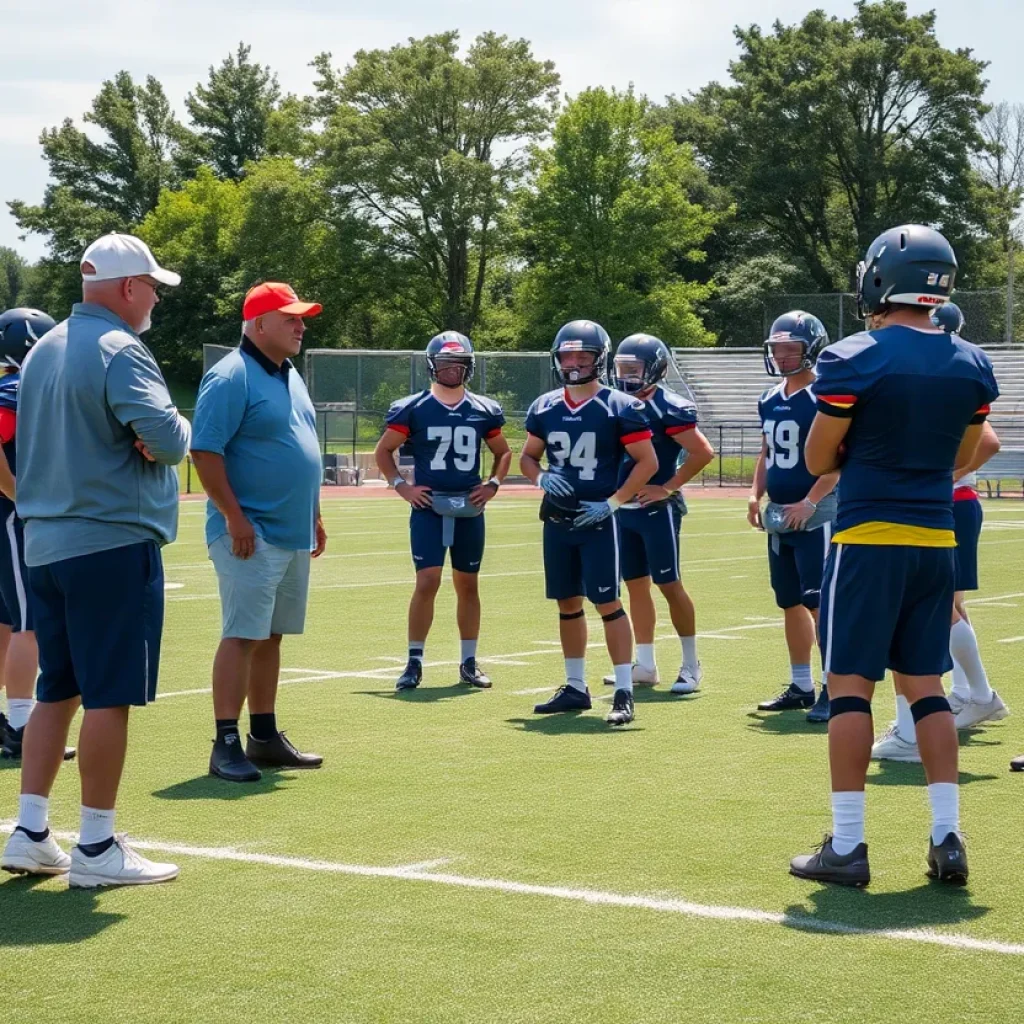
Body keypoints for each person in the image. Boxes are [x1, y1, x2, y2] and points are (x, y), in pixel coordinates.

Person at [790, 225, 998, 888]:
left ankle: (848, 847)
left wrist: (860, 454)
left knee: (851, 686)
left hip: (869, 541)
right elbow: (965, 457)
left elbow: (818, 458)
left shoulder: (855, 357)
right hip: (936, 541)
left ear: (880, 277)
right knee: (928, 689)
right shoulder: (972, 363)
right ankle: (947, 838)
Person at [0, 232, 190, 887]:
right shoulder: (119, 348)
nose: (156, 300)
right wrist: (170, 433)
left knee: (58, 688)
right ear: (129, 287)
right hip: (109, 540)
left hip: (45, 543)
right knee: (110, 693)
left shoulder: (44, 350)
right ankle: (99, 845)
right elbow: (167, 439)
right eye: (153, 288)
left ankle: (30, 831)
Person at [191, 282, 328, 784]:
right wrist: (234, 517)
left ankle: (264, 736)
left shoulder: (289, 373)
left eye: (301, 318)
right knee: (242, 634)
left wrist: (313, 514)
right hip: (249, 531)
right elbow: (205, 452)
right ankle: (225, 742)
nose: (301, 326)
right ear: (259, 323)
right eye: (290, 317)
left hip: (289, 530)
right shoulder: (230, 376)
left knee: (271, 635)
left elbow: (301, 446)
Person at [871, 304, 1006, 763]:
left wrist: (946, 475)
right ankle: (971, 692)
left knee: (931, 607)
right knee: (948, 605)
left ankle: (975, 694)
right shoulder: (945, 367)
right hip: (943, 504)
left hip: (941, 504)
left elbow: (988, 440)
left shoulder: (940, 369)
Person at [520, 320, 658, 727]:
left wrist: (614, 502)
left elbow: (647, 462)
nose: (574, 363)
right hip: (558, 518)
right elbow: (528, 456)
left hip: (598, 520)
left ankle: (623, 691)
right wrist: (540, 476)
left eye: (583, 356)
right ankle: (576, 686)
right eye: (568, 355)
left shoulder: (621, 406)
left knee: (607, 602)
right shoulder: (545, 406)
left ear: (600, 359)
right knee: (567, 602)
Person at [374, 332, 511, 691]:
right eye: (446, 363)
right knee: (427, 581)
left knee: (468, 584)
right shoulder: (413, 407)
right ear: (432, 366)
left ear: (470, 366)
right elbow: (383, 451)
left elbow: (504, 452)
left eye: (460, 364)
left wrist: (493, 483)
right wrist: (400, 486)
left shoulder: (483, 408)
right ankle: (414, 661)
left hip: (469, 504)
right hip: (428, 506)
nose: (452, 370)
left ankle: (468, 661)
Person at [600, 333, 714, 693]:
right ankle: (646, 664)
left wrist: (668, 486)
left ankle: (691, 665)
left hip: (656, 509)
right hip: (624, 508)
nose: (626, 376)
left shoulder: (669, 406)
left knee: (669, 584)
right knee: (635, 586)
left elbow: (702, 452)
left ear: (655, 369)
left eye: (634, 369)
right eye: (622, 369)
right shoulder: (613, 402)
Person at [749, 312, 839, 724]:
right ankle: (801, 684)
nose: (782, 357)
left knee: (818, 603)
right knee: (789, 602)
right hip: (779, 514)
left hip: (816, 513)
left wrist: (810, 501)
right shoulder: (769, 397)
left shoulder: (827, 394)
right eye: (777, 349)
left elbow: (841, 459)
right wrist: (755, 494)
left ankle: (833, 689)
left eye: (791, 349)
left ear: (811, 350)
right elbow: (767, 453)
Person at [0, 309, 75, 763]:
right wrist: (16, 492)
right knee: (29, 624)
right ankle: (22, 723)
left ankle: (12, 717)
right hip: (12, 517)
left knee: (7, 622)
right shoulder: (16, 387)